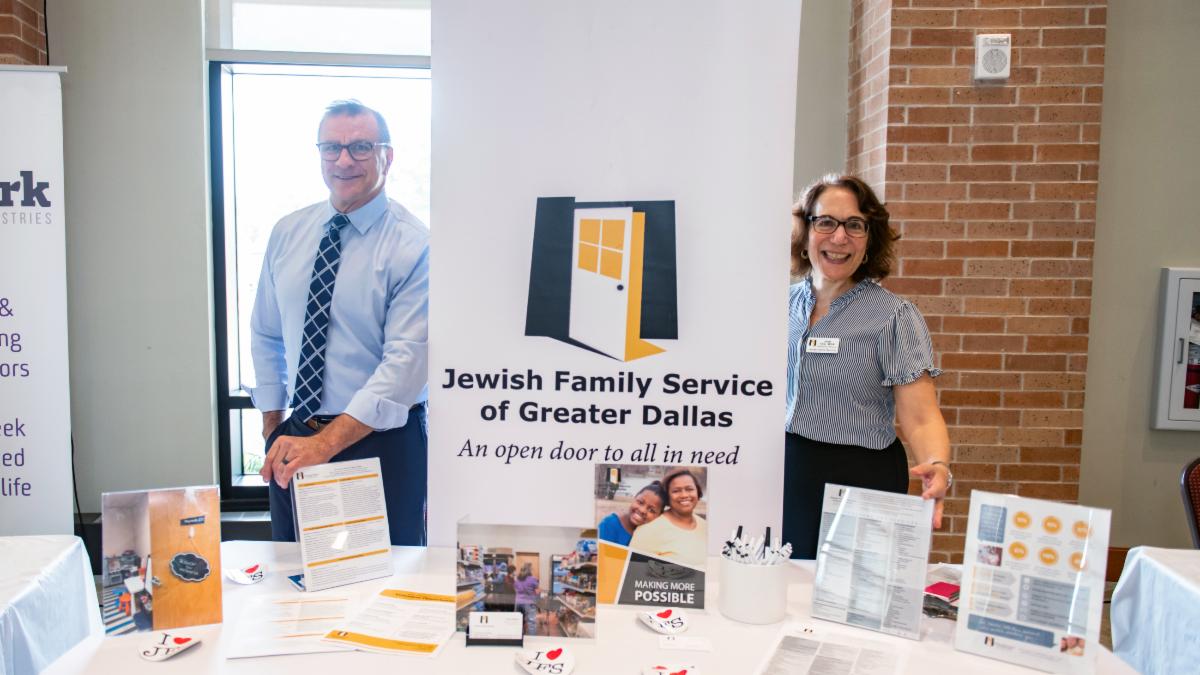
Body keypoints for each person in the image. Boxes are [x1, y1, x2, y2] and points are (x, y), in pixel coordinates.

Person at [249, 100, 429, 545]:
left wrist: (324, 445)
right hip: (296, 440)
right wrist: (274, 427)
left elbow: (404, 366)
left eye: (361, 147)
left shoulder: (415, 246)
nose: (344, 160)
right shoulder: (287, 232)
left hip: (380, 443)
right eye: (331, 147)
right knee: (293, 574)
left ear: (387, 156)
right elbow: (266, 334)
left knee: (385, 578)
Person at [784, 174, 951, 559]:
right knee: (783, 584)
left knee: (852, 591)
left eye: (855, 225)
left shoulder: (894, 316)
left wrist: (937, 464)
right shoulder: (776, 305)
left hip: (862, 478)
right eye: (826, 222)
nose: (839, 237)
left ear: (869, 239)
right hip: (785, 474)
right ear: (804, 231)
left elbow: (921, 417)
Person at [628, 469, 708, 568]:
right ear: (668, 498)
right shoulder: (648, 531)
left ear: (698, 492)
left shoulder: (705, 526)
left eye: (689, 489)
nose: (684, 495)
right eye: (676, 491)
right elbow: (633, 572)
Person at [597, 481, 667, 547]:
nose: (642, 510)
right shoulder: (609, 524)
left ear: (659, 515)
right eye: (640, 502)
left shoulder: (654, 536)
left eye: (651, 510)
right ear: (634, 498)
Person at [513, 563, 540, 635]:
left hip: (518, 602)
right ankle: (532, 639)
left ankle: (519, 637)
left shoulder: (517, 579)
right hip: (529, 603)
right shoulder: (533, 579)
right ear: (530, 570)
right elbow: (537, 591)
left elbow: (515, 589)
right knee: (531, 622)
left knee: (518, 621)